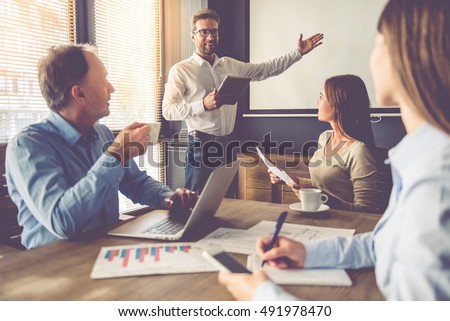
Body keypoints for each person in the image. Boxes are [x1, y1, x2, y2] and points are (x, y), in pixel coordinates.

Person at [218, 0, 450, 300]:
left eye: (378, 42)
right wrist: (306, 252)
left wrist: (262, 298)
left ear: (407, 56)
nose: (371, 57)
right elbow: (380, 243)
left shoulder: (436, 179)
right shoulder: (418, 157)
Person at [5, 45, 197, 250]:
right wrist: (115, 155)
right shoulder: (28, 146)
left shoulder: (102, 133)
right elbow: (62, 222)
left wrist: (169, 198)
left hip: (104, 251)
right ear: (80, 94)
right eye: (104, 80)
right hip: (56, 266)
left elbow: (136, 183)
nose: (111, 88)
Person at [162, 8, 324, 194]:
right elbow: (168, 110)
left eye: (214, 31)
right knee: (196, 201)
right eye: (204, 32)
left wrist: (297, 53)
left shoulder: (230, 65)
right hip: (200, 146)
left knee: (229, 201)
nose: (210, 36)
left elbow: (266, 69)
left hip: (228, 144)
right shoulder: (181, 70)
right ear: (193, 36)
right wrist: (202, 105)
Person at [269, 75, 383, 213]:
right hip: (320, 217)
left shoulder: (358, 151)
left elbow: (366, 209)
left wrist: (323, 199)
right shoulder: (325, 138)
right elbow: (324, 185)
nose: (317, 102)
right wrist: (295, 180)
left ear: (338, 104)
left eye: (322, 97)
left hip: (344, 225)